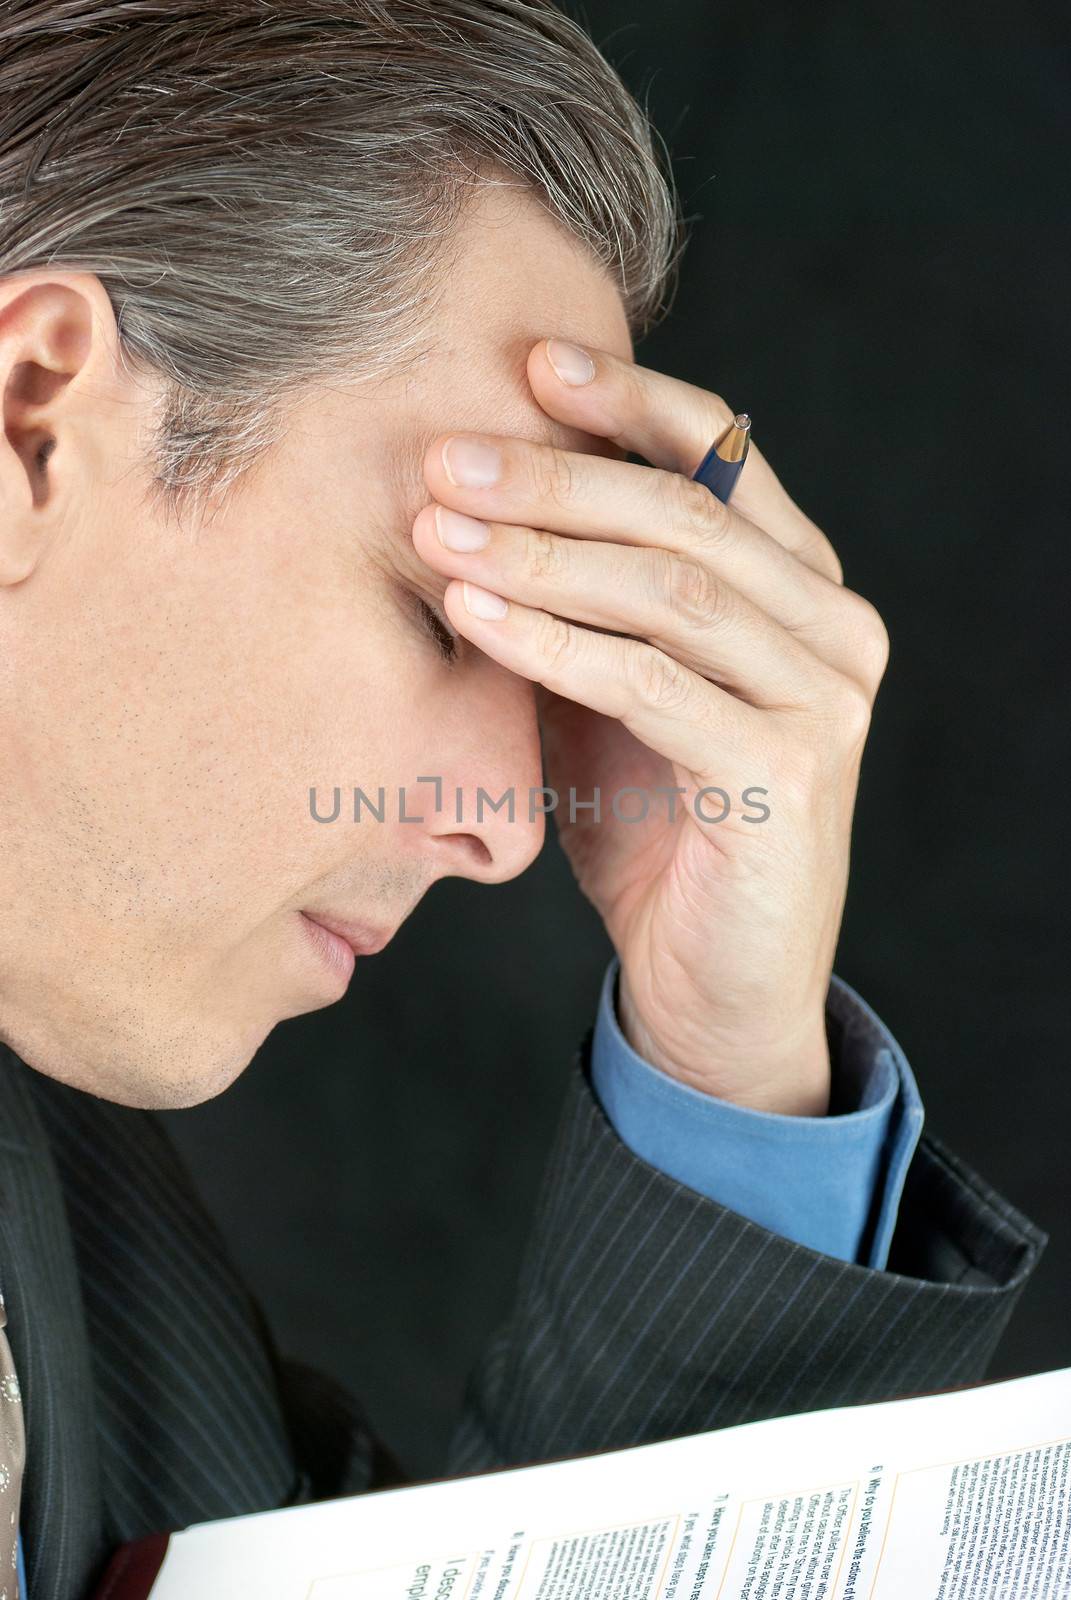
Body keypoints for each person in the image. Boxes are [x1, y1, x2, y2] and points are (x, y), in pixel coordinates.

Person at [0, 3, 1045, 1597]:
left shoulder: (83, 1254)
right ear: (28, 418)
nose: (509, 830)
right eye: (441, 608)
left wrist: (726, 1061)